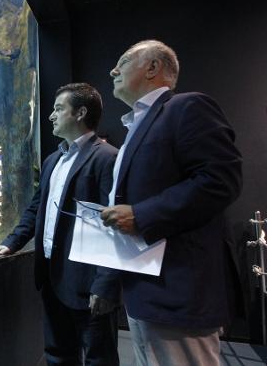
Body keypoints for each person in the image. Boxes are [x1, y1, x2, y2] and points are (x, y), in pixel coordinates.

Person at [100, 40, 243, 365]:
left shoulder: (187, 107)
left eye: (123, 61)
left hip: (178, 291)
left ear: (152, 67)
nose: (113, 70)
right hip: (144, 289)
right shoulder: (136, 128)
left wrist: (142, 215)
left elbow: (221, 179)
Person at [0, 83, 120, 366]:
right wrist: (10, 243)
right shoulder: (53, 160)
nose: (51, 116)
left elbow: (114, 228)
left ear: (80, 112)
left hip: (88, 284)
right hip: (53, 279)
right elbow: (37, 208)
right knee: (57, 355)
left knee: (99, 359)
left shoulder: (107, 158)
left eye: (58, 109)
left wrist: (105, 285)